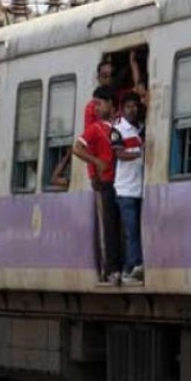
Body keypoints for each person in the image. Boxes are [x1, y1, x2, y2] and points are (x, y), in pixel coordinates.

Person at [73, 87, 123, 285]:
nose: (95, 108)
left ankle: (123, 266)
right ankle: (112, 269)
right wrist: (96, 161)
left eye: (99, 104)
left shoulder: (119, 124)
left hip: (124, 181)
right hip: (107, 181)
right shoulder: (95, 128)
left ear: (110, 103)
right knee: (110, 226)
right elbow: (77, 148)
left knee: (122, 225)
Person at [113, 92, 145, 283]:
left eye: (135, 106)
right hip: (124, 188)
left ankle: (130, 267)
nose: (133, 110)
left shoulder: (141, 129)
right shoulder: (118, 130)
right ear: (122, 110)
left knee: (136, 229)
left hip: (139, 187)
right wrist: (140, 154)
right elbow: (119, 154)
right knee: (131, 229)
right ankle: (134, 265)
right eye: (129, 107)